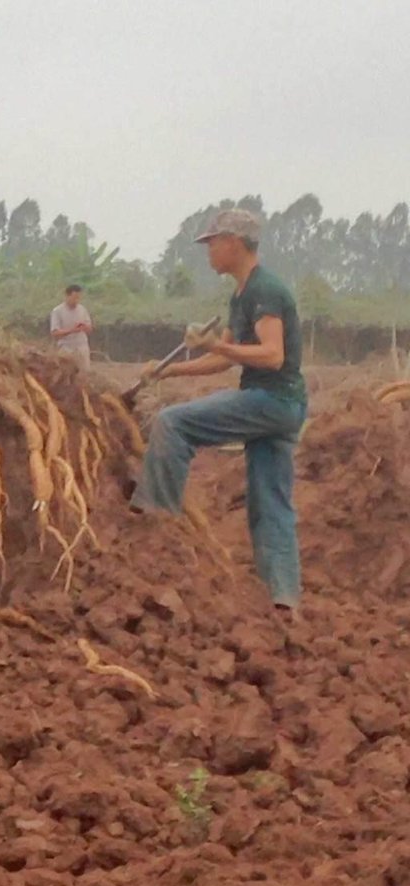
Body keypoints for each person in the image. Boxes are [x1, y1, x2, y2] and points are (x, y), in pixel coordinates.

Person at [129, 208, 306, 615]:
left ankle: (156, 520)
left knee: (173, 423)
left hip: (272, 399)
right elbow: (223, 359)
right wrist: (167, 370)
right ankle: (283, 599)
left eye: (212, 243)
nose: (208, 251)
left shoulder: (265, 289)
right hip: (281, 407)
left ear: (234, 243)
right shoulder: (242, 293)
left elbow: (273, 355)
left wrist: (215, 345)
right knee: (270, 504)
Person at [49, 284, 93, 370]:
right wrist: (72, 330)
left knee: (84, 373)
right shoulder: (57, 311)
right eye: (74, 298)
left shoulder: (83, 309)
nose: (76, 300)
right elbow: (54, 333)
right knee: (65, 373)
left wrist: (84, 327)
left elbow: (90, 329)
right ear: (67, 296)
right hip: (66, 348)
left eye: (78, 298)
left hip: (82, 348)